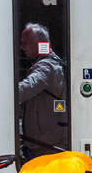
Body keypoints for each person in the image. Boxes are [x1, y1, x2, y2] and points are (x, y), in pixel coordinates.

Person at [17, 23, 68, 160]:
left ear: (39, 44)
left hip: (47, 144)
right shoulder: (50, 62)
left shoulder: (46, 66)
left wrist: (4, 92)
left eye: (25, 43)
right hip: (46, 140)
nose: (22, 47)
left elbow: (24, 89)